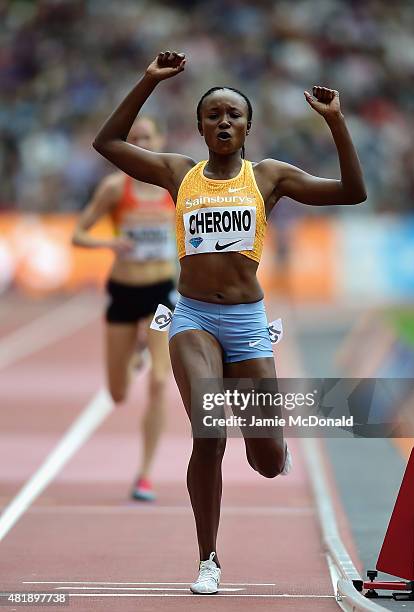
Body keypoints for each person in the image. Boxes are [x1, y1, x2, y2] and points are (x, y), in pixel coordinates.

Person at [92, 50, 367, 594]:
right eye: (213, 114)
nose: (223, 122)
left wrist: (336, 122)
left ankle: (273, 444)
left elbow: (351, 192)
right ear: (199, 126)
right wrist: (148, 81)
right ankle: (208, 559)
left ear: (247, 127)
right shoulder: (178, 173)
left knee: (265, 460)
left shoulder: (270, 177)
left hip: (247, 321)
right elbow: (108, 144)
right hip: (191, 314)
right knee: (208, 424)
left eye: (232, 115)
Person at [72, 117, 176, 502]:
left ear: (160, 140)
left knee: (160, 382)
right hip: (123, 291)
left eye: (148, 137)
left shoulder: (176, 187)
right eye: (134, 140)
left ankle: (145, 474)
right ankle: (138, 348)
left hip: (162, 292)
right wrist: (108, 246)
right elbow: (78, 233)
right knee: (117, 393)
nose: (142, 144)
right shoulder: (116, 188)